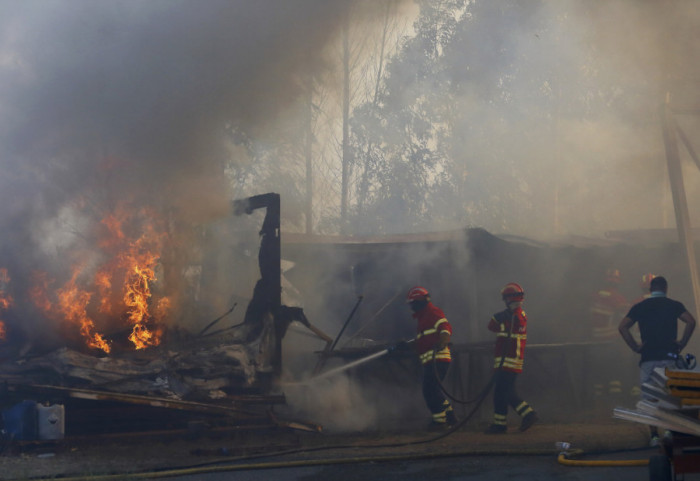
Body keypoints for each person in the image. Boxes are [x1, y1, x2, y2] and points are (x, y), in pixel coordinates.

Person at [618, 275, 697, 446]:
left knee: (649, 399)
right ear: (666, 289)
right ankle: (669, 431)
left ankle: (654, 436)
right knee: (669, 396)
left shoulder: (640, 307)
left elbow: (622, 326)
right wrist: (682, 343)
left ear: (650, 290)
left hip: (648, 358)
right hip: (669, 357)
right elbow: (691, 321)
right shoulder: (674, 305)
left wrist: (635, 347)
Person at [484, 282, 538, 434]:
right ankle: (499, 424)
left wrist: (498, 317)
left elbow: (492, 326)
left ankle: (528, 414)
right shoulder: (520, 315)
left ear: (509, 299)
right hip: (509, 361)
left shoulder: (515, 318)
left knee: (506, 393)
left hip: (508, 361)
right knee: (501, 392)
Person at [406, 286, 458, 429]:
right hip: (431, 361)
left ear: (420, 302)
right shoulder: (423, 318)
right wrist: (406, 346)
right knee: (434, 389)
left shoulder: (433, 312)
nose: (411, 307)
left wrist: (443, 341)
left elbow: (445, 328)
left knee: (429, 390)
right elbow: (424, 340)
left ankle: (439, 422)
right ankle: (450, 416)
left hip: (438, 359)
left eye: (413, 303)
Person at [588, 268, 630, 404]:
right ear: (618, 282)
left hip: (595, 341)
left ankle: (598, 402)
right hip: (611, 341)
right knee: (614, 372)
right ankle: (614, 402)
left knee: (599, 372)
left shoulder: (595, 295)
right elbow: (626, 319)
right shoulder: (617, 298)